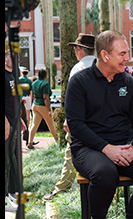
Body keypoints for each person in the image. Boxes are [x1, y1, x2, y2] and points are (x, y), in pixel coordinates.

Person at [66, 30, 133, 219]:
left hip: (125, 145)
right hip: (88, 148)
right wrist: (106, 148)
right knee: (105, 173)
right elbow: (76, 126)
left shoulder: (129, 83)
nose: (127, 58)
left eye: (127, 53)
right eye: (122, 54)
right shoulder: (79, 82)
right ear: (105, 55)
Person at [44, 33, 95, 201]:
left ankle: (62, 189)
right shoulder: (103, 66)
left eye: (75, 48)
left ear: (80, 50)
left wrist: (69, 119)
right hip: (101, 122)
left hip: (81, 121)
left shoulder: (78, 69)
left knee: (71, 153)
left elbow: (73, 99)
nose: (74, 51)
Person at [28, 69, 58, 146]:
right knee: (51, 124)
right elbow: (46, 98)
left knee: (34, 125)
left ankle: (30, 143)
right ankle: (58, 142)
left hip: (35, 104)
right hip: (43, 105)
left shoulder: (34, 83)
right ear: (45, 75)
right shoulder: (45, 84)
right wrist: (49, 110)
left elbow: (33, 94)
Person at [18, 67, 32, 143]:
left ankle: (23, 131)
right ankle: (26, 129)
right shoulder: (29, 81)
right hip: (27, 97)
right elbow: (31, 91)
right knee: (27, 115)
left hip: (21, 97)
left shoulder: (19, 79)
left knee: (21, 115)